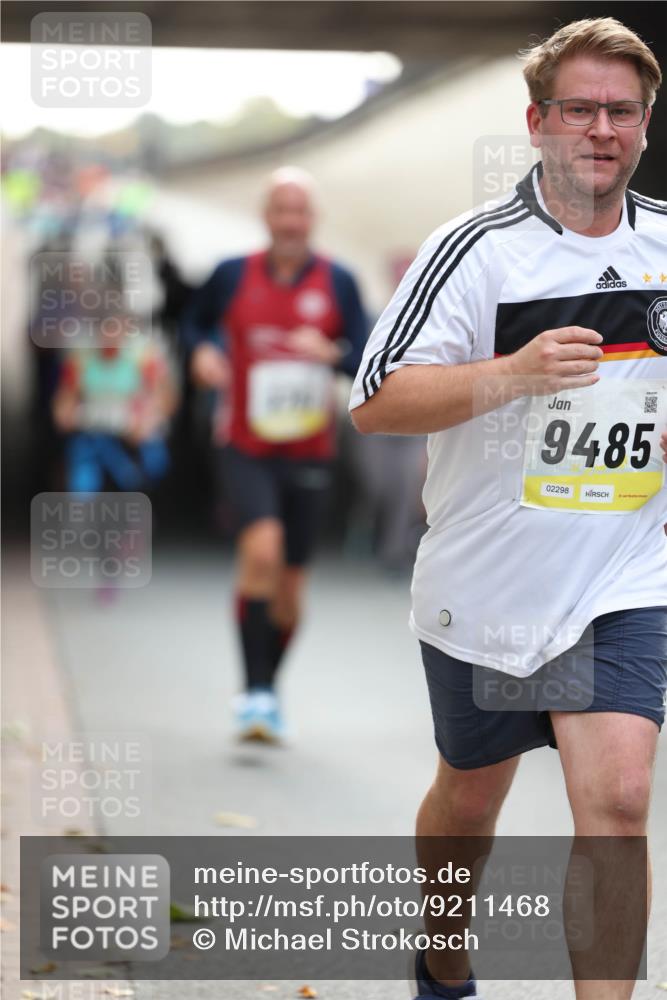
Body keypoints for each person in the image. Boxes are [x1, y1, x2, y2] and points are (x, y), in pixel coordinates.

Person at [350, 18, 666, 1000]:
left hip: (623, 571)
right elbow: (376, 401)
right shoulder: (475, 250)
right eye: (579, 108)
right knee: (468, 796)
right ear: (536, 122)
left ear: (645, 127)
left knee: (614, 803)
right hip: (489, 581)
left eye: (621, 111)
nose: (600, 128)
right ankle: (442, 965)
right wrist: (513, 374)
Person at [186, 167, 367, 742]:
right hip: (245, 442)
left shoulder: (339, 281)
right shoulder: (230, 274)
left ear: (312, 220)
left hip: (310, 450)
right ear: (266, 216)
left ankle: (266, 689)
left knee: (290, 591)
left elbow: (369, 360)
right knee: (260, 552)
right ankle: (256, 693)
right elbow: (193, 326)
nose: (291, 221)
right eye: (281, 210)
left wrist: (332, 351)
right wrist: (203, 354)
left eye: (301, 211)